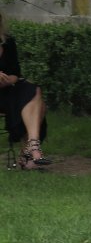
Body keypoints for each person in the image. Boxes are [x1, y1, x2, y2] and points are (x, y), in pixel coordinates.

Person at [0, 11, 50, 169]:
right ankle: (29, 154)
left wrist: (8, 79)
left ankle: (32, 147)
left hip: (7, 89)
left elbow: (15, 72)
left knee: (33, 90)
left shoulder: (8, 42)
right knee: (39, 105)